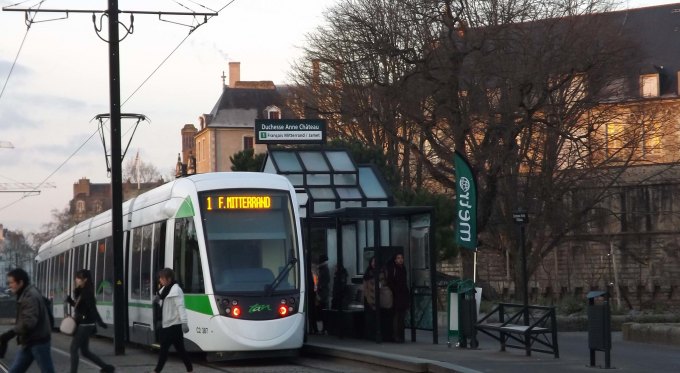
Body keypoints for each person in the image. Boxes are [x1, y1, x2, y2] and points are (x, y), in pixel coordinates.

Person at [0, 268, 55, 373]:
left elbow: (28, 322)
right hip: (30, 340)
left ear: (20, 282)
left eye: (11, 282)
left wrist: (10, 334)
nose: (9, 285)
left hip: (38, 340)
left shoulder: (30, 296)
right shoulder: (26, 293)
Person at [66, 269, 114, 373]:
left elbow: (93, 309)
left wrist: (100, 322)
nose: (76, 280)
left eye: (79, 278)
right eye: (77, 277)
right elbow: (80, 307)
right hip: (84, 324)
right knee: (85, 351)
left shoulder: (87, 293)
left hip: (85, 324)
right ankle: (106, 368)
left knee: (73, 349)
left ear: (85, 280)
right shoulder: (82, 292)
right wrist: (70, 301)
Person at [151, 268, 193, 373]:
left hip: (173, 325)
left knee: (164, 350)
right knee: (181, 350)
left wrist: (184, 322)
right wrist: (158, 300)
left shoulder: (176, 290)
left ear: (169, 279)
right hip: (168, 324)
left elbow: (180, 307)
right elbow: (165, 305)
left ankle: (156, 371)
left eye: (162, 278)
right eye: (160, 278)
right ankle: (190, 369)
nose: (160, 280)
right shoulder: (163, 290)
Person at [386, 253, 409, 343]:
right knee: (396, 316)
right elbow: (390, 281)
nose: (400, 260)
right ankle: (395, 336)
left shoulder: (403, 268)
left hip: (403, 295)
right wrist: (395, 290)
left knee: (402, 316)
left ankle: (400, 335)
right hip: (396, 295)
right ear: (395, 260)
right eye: (398, 258)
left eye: (402, 258)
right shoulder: (393, 268)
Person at [316, 254, 330, 333]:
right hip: (323, 292)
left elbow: (325, 281)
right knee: (322, 310)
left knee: (322, 310)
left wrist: (320, 287)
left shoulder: (323, 269)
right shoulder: (323, 269)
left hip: (322, 293)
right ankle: (324, 327)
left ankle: (325, 328)